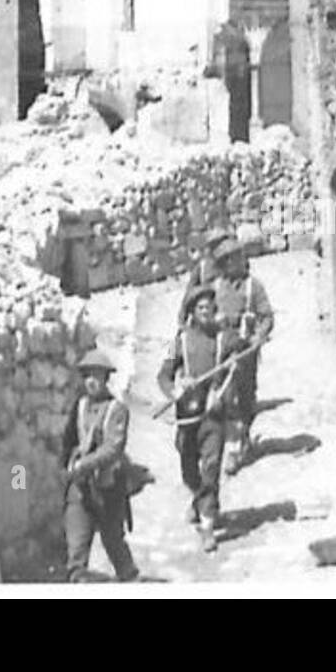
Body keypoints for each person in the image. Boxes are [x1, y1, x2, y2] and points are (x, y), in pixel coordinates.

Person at [157, 285, 242, 553]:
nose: (206, 312)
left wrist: (222, 390)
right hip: (187, 415)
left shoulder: (222, 338)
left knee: (212, 464)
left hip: (212, 414)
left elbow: (238, 356)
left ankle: (207, 524)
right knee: (189, 469)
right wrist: (176, 388)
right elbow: (163, 375)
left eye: (209, 308)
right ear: (192, 312)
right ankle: (199, 498)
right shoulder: (178, 341)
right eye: (201, 308)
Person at [62, 348, 139, 583]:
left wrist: (85, 464)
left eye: (97, 376)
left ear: (106, 379)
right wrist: (67, 466)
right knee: (76, 545)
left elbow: (112, 448)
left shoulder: (117, 410)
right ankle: (78, 578)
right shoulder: (80, 406)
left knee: (113, 541)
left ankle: (130, 577)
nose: (91, 381)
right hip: (81, 488)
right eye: (87, 376)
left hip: (108, 488)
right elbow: (68, 440)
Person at [209, 238, 274, 474]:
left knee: (245, 398)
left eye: (238, 257)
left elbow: (266, 316)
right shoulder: (214, 287)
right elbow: (200, 313)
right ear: (223, 264)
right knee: (225, 399)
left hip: (245, 352)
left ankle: (243, 435)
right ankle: (231, 450)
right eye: (230, 259)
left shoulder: (252, 286)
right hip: (220, 350)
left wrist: (258, 337)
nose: (236, 263)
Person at [176, 227, 232, 325]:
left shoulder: (232, 263)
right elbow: (190, 292)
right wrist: (182, 318)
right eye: (214, 246)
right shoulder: (201, 267)